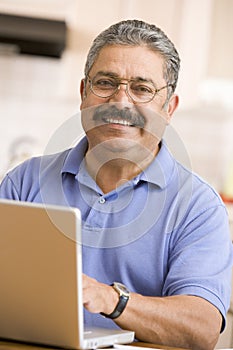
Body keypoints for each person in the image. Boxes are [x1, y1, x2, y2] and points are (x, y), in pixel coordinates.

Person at [0, 19, 232, 350]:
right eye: (106, 83)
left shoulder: (199, 207)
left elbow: (202, 329)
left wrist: (112, 300)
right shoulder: (25, 181)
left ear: (170, 108)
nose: (120, 102)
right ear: (83, 93)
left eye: (141, 89)